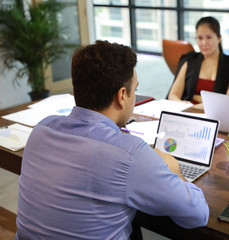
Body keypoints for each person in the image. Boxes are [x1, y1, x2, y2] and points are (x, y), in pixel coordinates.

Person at [16, 40, 209, 240]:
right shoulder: (131, 154)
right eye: (135, 89)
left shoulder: (41, 130)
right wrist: (175, 171)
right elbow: (198, 214)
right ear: (122, 95)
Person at [167, 16, 229, 106]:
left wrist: (198, 108)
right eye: (200, 38)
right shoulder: (189, 59)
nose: (204, 43)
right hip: (187, 111)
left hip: (215, 115)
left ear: (219, 38)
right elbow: (173, 95)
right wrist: (182, 105)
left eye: (209, 37)